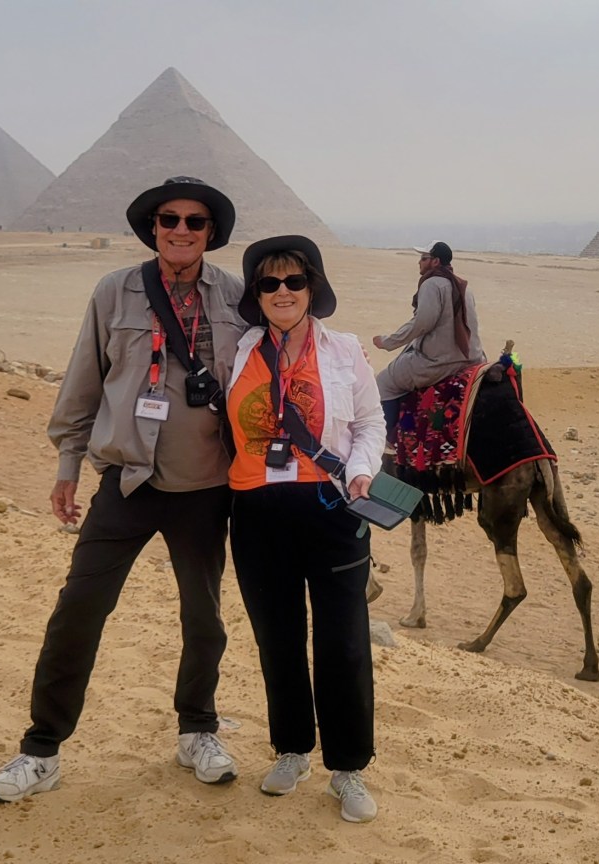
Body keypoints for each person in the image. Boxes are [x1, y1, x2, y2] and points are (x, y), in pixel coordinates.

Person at [0, 177, 246, 803]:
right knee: (79, 609)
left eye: (195, 221)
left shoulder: (237, 295)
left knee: (203, 616)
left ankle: (197, 731)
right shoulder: (114, 291)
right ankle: (41, 749)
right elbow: (83, 378)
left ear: (211, 232)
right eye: (169, 219)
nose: (180, 230)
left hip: (206, 484)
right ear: (152, 226)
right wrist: (67, 464)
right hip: (127, 481)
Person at [226, 235, 385, 823]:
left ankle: (348, 768)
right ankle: (292, 749)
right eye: (269, 283)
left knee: (343, 639)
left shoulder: (344, 350)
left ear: (312, 287)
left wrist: (363, 471)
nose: (283, 291)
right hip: (256, 508)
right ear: (257, 294)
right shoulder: (240, 349)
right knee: (278, 636)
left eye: (294, 280)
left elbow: (370, 422)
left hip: (331, 507)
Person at [372, 241, 485, 443]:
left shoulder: (432, 284)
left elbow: (422, 323)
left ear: (435, 261)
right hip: (473, 359)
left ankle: (386, 443)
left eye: (424, 258)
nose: (419, 262)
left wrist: (388, 342)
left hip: (439, 363)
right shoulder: (464, 286)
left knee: (384, 383)